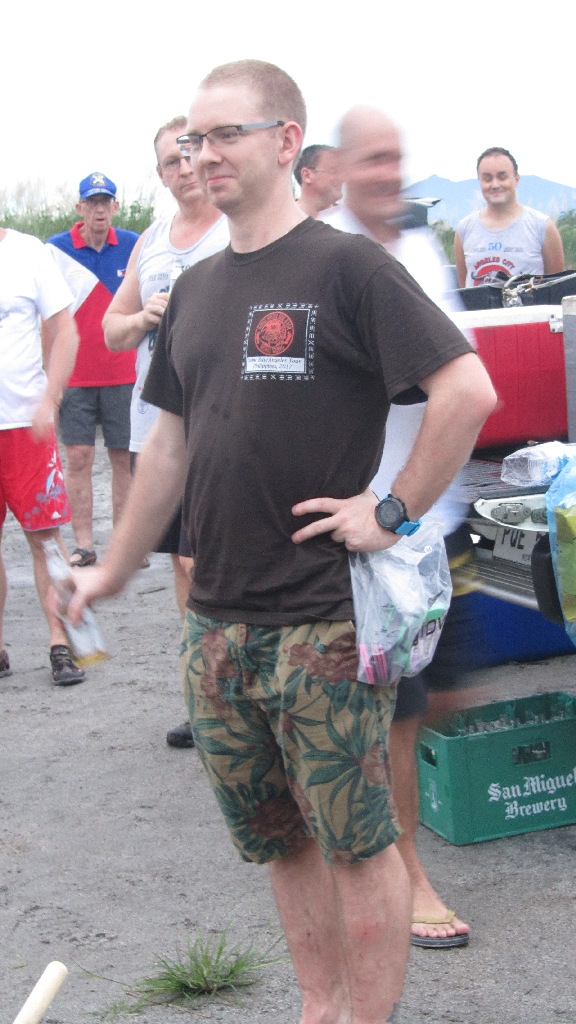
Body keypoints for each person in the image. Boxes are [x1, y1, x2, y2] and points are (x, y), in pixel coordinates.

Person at [66, 60, 496, 1023]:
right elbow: (168, 447)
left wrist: (389, 511)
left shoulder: (347, 269)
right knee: (280, 839)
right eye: (194, 139)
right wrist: (115, 569)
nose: (203, 155)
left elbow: (467, 391)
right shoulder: (196, 288)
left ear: (286, 142)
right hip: (217, 625)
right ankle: (319, 1007)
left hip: (323, 621)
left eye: (226, 135)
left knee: (356, 843)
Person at [322, 105, 472, 949]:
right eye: (372, 159)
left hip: (430, 517)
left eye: (396, 158)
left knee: (431, 698)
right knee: (397, 712)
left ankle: (379, 837)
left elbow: (456, 373)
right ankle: (406, 875)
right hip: (371, 525)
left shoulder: (418, 248)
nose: (388, 174)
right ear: (339, 166)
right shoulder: (328, 254)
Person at [103, 117, 229, 749]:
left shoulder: (235, 227)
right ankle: (206, 699)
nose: (184, 168)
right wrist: (144, 317)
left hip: (223, 425)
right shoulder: (152, 239)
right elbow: (111, 328)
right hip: (158, 429)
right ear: (160, 175)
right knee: (183, 564)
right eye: (171, 162)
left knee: (213, 560)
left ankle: (237, 699)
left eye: (190, 153)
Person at [0, 226, 86, 686]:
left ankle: (60, 644)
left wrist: (51, 398)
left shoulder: (28, 253)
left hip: (23, 425)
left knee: (45, 541)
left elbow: (65, 328)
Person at [46, 174, 139, 567]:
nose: (99, 210)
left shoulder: (133, 244)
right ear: (79, 207)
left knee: (123, 458)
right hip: (76, 376)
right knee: (79, 456)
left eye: (105, 202)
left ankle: (123, 544)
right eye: (92, 202)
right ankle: (84, 544)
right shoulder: (55, 250)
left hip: (124, 373)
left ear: (115, 207)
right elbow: (46, 314)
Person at [454, 146, 565, 288]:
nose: (495, 184)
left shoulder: (542, 227)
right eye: (487, 179)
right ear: (480, 181)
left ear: (516, 179)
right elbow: (464, 290)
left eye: (502, 177)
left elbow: (556, 289)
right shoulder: (464, 230)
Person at [294, 144, 342, 218]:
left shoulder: (351, 221)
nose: (342, 178)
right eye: (334, 171)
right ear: (307, 175)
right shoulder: (280, 220)